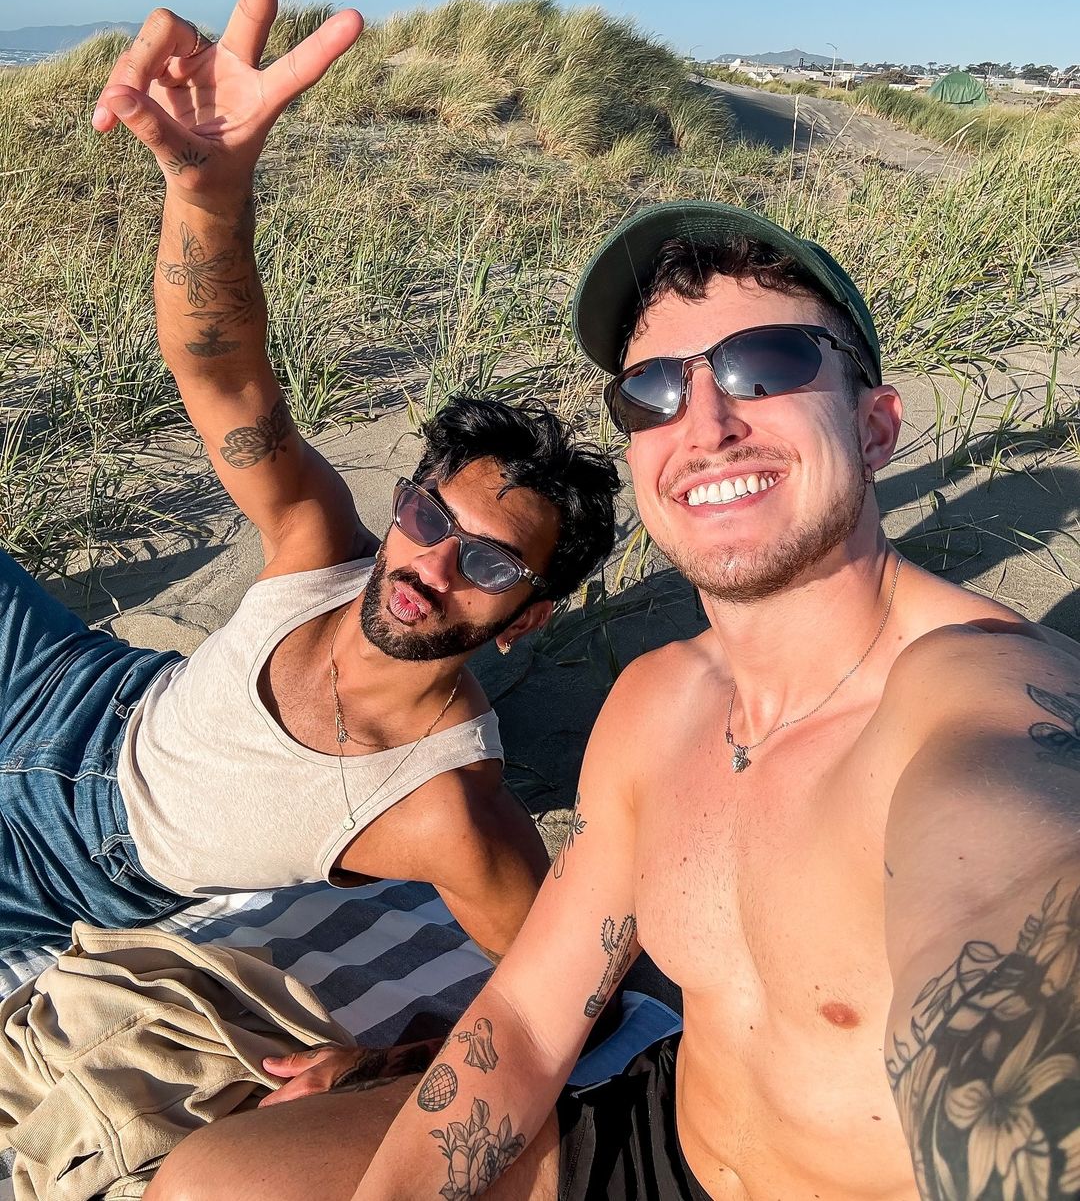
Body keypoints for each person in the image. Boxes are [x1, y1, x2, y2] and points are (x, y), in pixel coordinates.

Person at [148, 195, 1080, 1201]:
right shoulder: (658, 701)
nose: (707, 425)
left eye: (768, 365)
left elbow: (1016, 940)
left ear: (877, 425)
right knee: (217, 1183)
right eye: (653, 391)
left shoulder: (977, 693)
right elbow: (528, 1018)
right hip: (660, 1141)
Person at [0, 0, 618, 1003]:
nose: (430, 564)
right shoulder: (321, 549)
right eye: (430, 518)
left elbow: (566, 997)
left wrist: (401, 1060)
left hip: (64, 866)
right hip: (68, 681)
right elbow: (223, 375)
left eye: (489, 564)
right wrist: (207, 196)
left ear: (526, 620)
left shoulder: (442, 807)